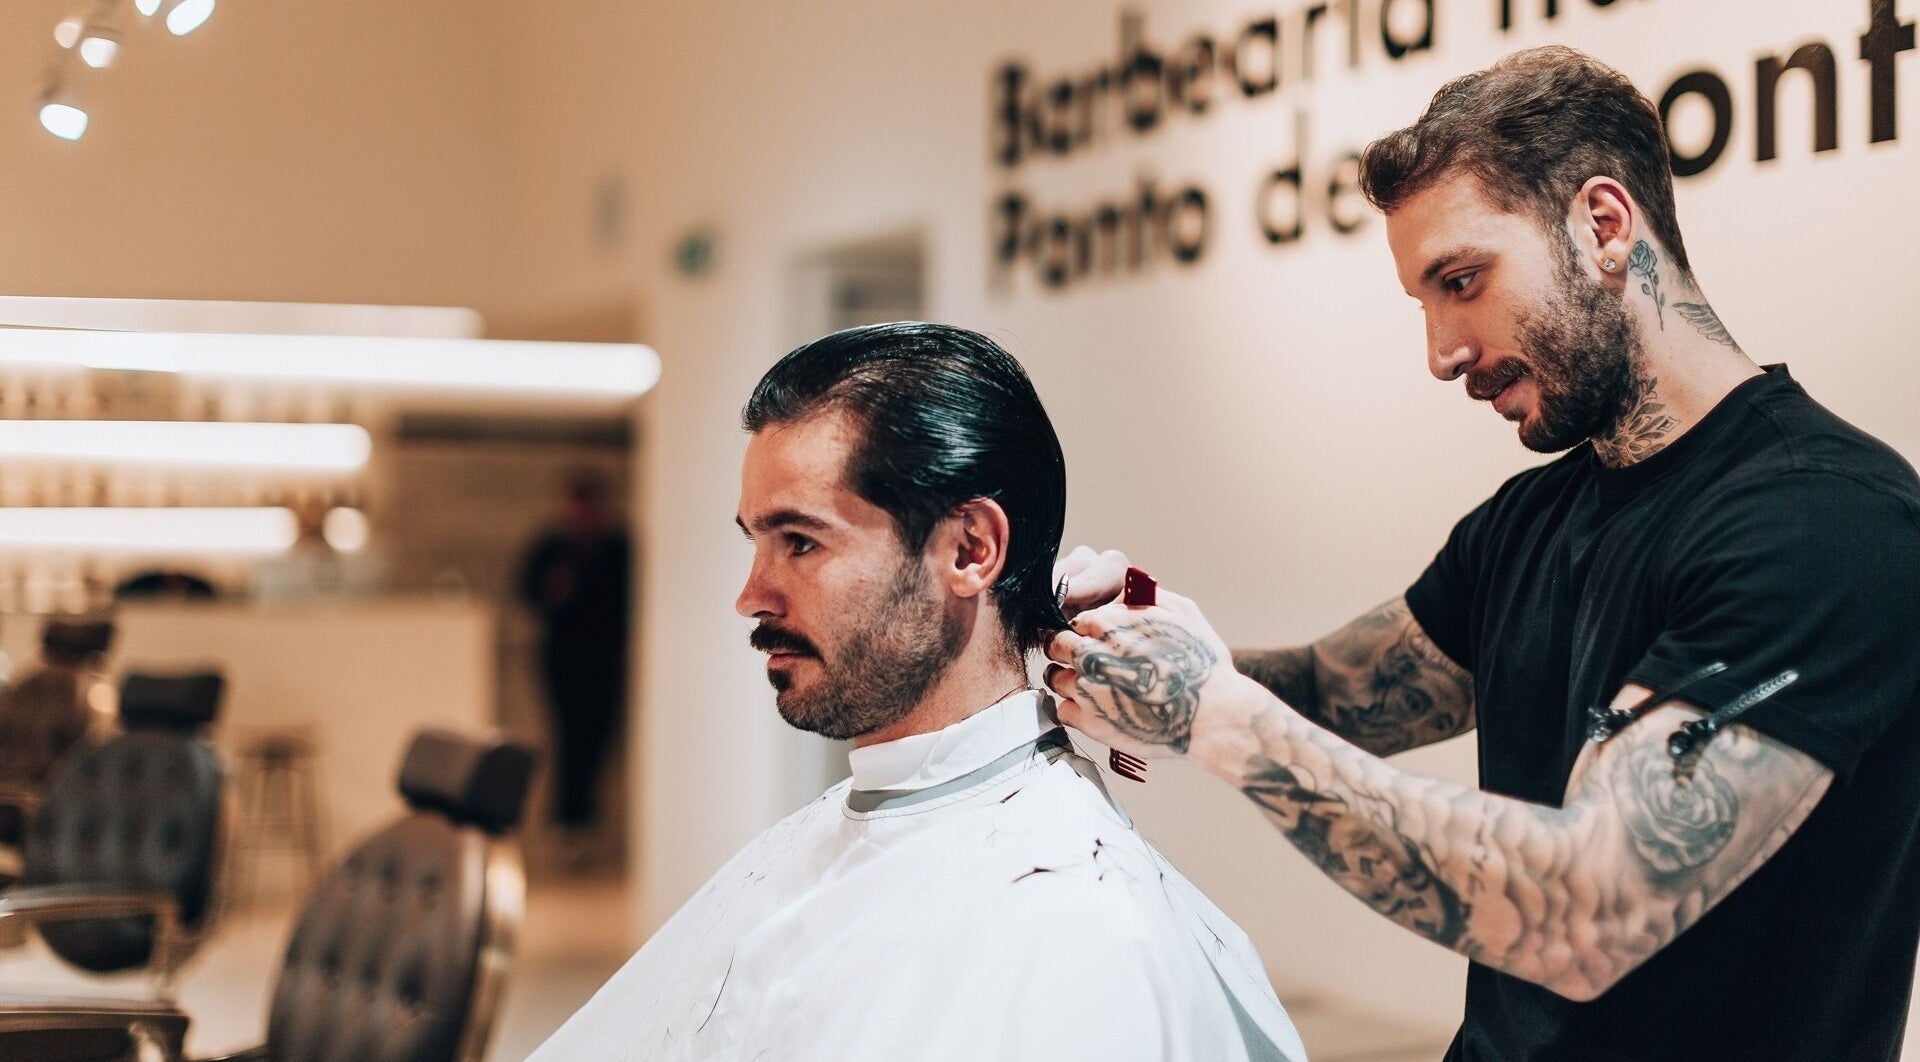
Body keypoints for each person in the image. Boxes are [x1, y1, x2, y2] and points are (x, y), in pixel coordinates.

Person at [1048, 46, 1920, 1061]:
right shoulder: (1527, 521)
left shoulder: (1829, 523)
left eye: (1462, 280)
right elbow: (1338, 693)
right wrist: (1131, 648)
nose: (1441, 352)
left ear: (1604, 225)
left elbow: (1584, 915)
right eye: (1425, 301)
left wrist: (1214, 715)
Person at [530, 322, 1305, 1061]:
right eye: (755, 542)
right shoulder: (849, 831)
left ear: (971, 549)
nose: (752, 594)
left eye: (800, 542)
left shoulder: (1075, 922)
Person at [518, 470, 632, 837]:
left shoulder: (616, 548)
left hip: (605, 659)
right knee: (566, 736)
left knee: (599, 739)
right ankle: (569, 824)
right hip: (562, 659)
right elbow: (526, 594)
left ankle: (583, 822)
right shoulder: (552, 547)